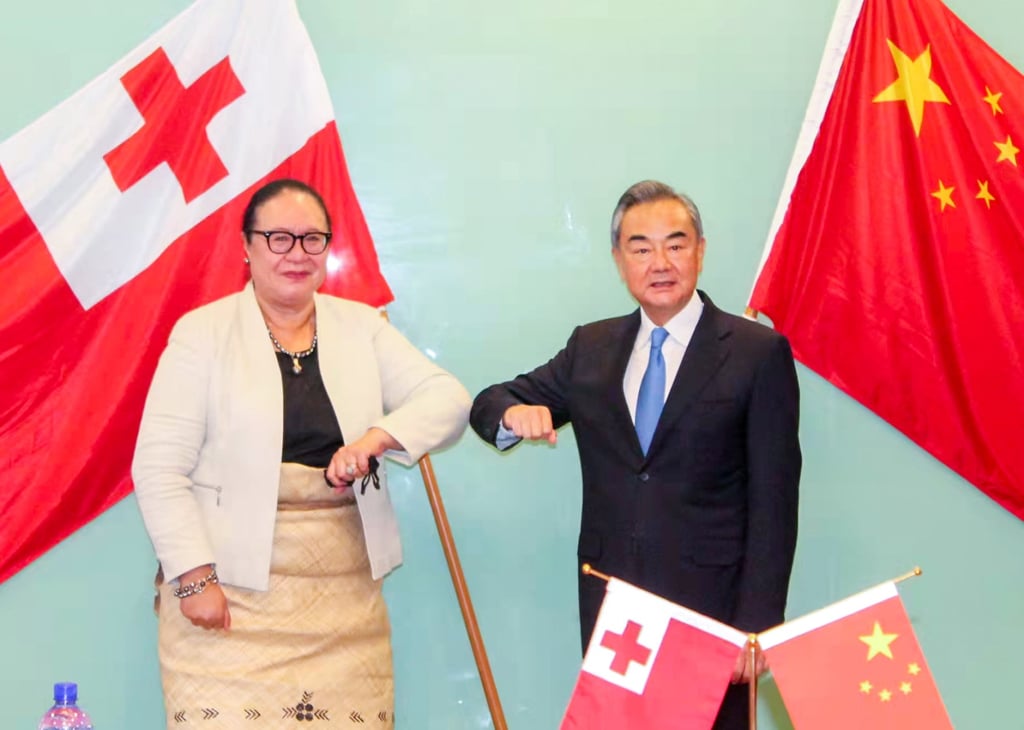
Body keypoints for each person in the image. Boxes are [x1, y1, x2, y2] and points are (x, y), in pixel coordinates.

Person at [133, 178, 471, 729]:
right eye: (279, 238)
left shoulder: (362, 327)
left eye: (313, 239)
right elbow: (158, 467)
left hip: (342, 605)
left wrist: (374, 440)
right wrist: (192, 579)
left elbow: (449, 400)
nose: (297, 253)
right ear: (246, 247)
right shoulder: (202, 334)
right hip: (226, 597)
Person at [469, 180, 800, 728]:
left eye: (676, 243)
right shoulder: (591, 348)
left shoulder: (755, 352)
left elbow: (775, 500)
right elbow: (491, 401)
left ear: (700, 250)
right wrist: (511, 416)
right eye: (641, 247)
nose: (660, 262)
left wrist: (759, 623)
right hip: (615, 613)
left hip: (712, 613)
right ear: (619, 260)